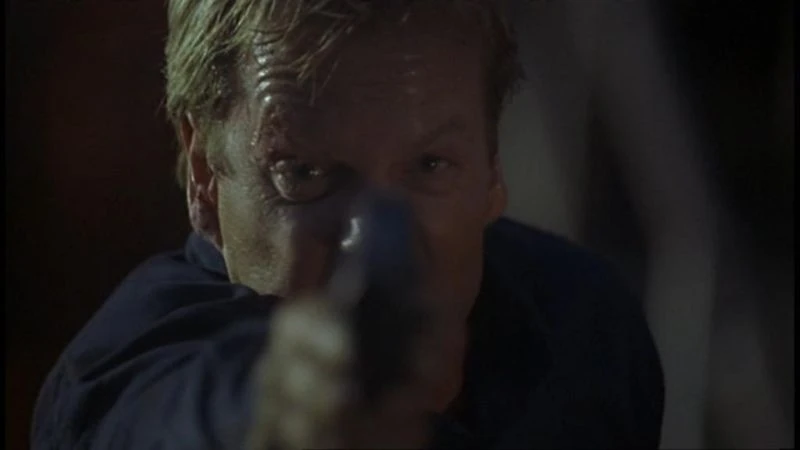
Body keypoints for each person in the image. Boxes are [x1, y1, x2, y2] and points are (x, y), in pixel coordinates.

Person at [31, 1, 664, 449]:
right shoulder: (126, 368)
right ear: (203, 170)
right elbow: (155, 416)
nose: (370, 238)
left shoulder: (584, 320)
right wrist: (276, 408)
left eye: (430, 164)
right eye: (304, 173)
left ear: (492, 165)